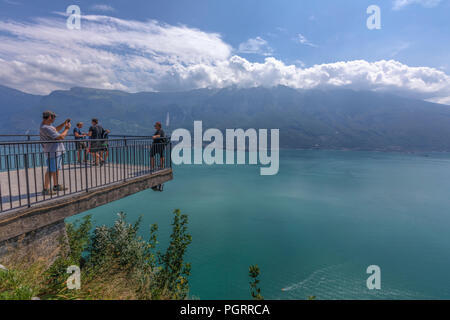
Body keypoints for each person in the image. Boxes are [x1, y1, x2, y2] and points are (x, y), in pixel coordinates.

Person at [40, 110, 70, 195]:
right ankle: (45, 189)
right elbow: (61, 137)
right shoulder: (45, 127)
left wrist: (64, 124)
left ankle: (56, 185)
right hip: (52, 152)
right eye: (54, 117)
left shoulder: (47, 126)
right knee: (50, 170)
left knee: (56, 169)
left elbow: (55, 129)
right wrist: (66, 129)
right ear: (50, 117)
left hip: (56, 151)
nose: (54, 119)